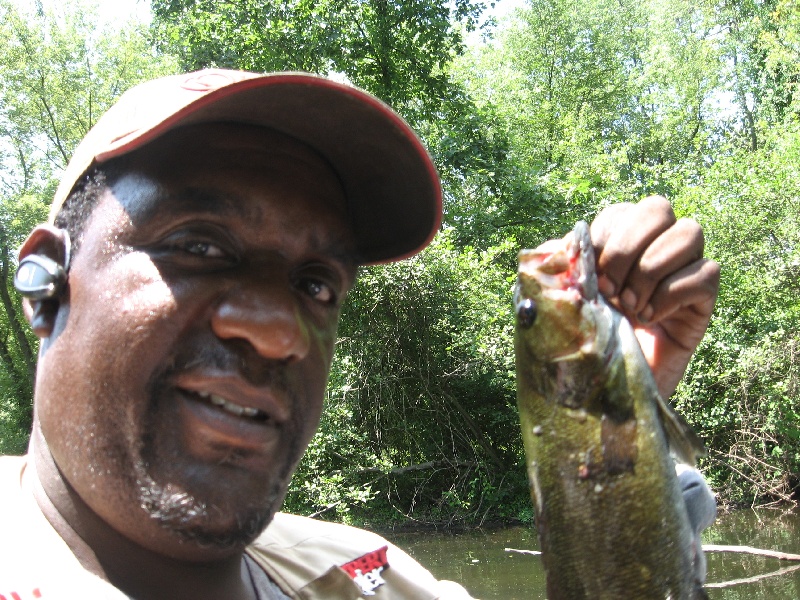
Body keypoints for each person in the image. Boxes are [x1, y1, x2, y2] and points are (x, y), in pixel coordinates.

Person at [0, 69, 720, 599]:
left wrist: (618, 454)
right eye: (201, 246)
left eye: (316, 285)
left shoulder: (372, 577)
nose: (281, 331)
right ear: (43, 284)